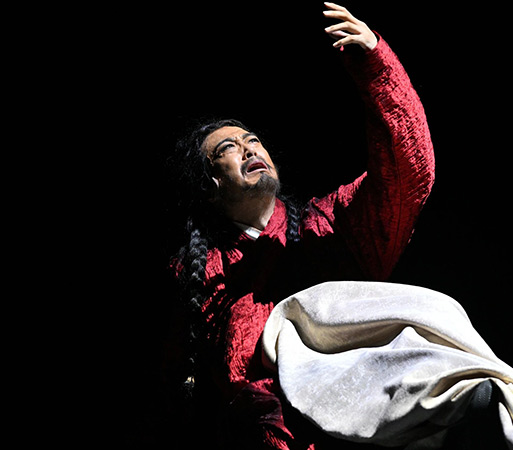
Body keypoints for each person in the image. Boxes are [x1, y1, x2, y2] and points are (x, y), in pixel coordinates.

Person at [165, 3, 435, 449]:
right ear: (211, 185)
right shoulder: (195, 275)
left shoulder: (328, 226)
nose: (250, 148)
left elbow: (407, 173)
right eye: (229, 148)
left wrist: (375, 64)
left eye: (253, 140)